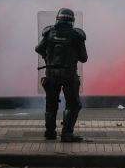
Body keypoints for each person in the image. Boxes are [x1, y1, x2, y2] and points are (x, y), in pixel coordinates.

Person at [35, 8, 88, 142]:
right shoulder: (77, 36)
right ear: (72, 20)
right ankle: (67, 134)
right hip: (69, 75)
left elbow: (38, 49)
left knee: (51, 104)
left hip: (51, 74)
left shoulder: (49, 32)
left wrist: (48, 53)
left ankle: (50, 133)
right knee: (73, 104)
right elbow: (83, 58)